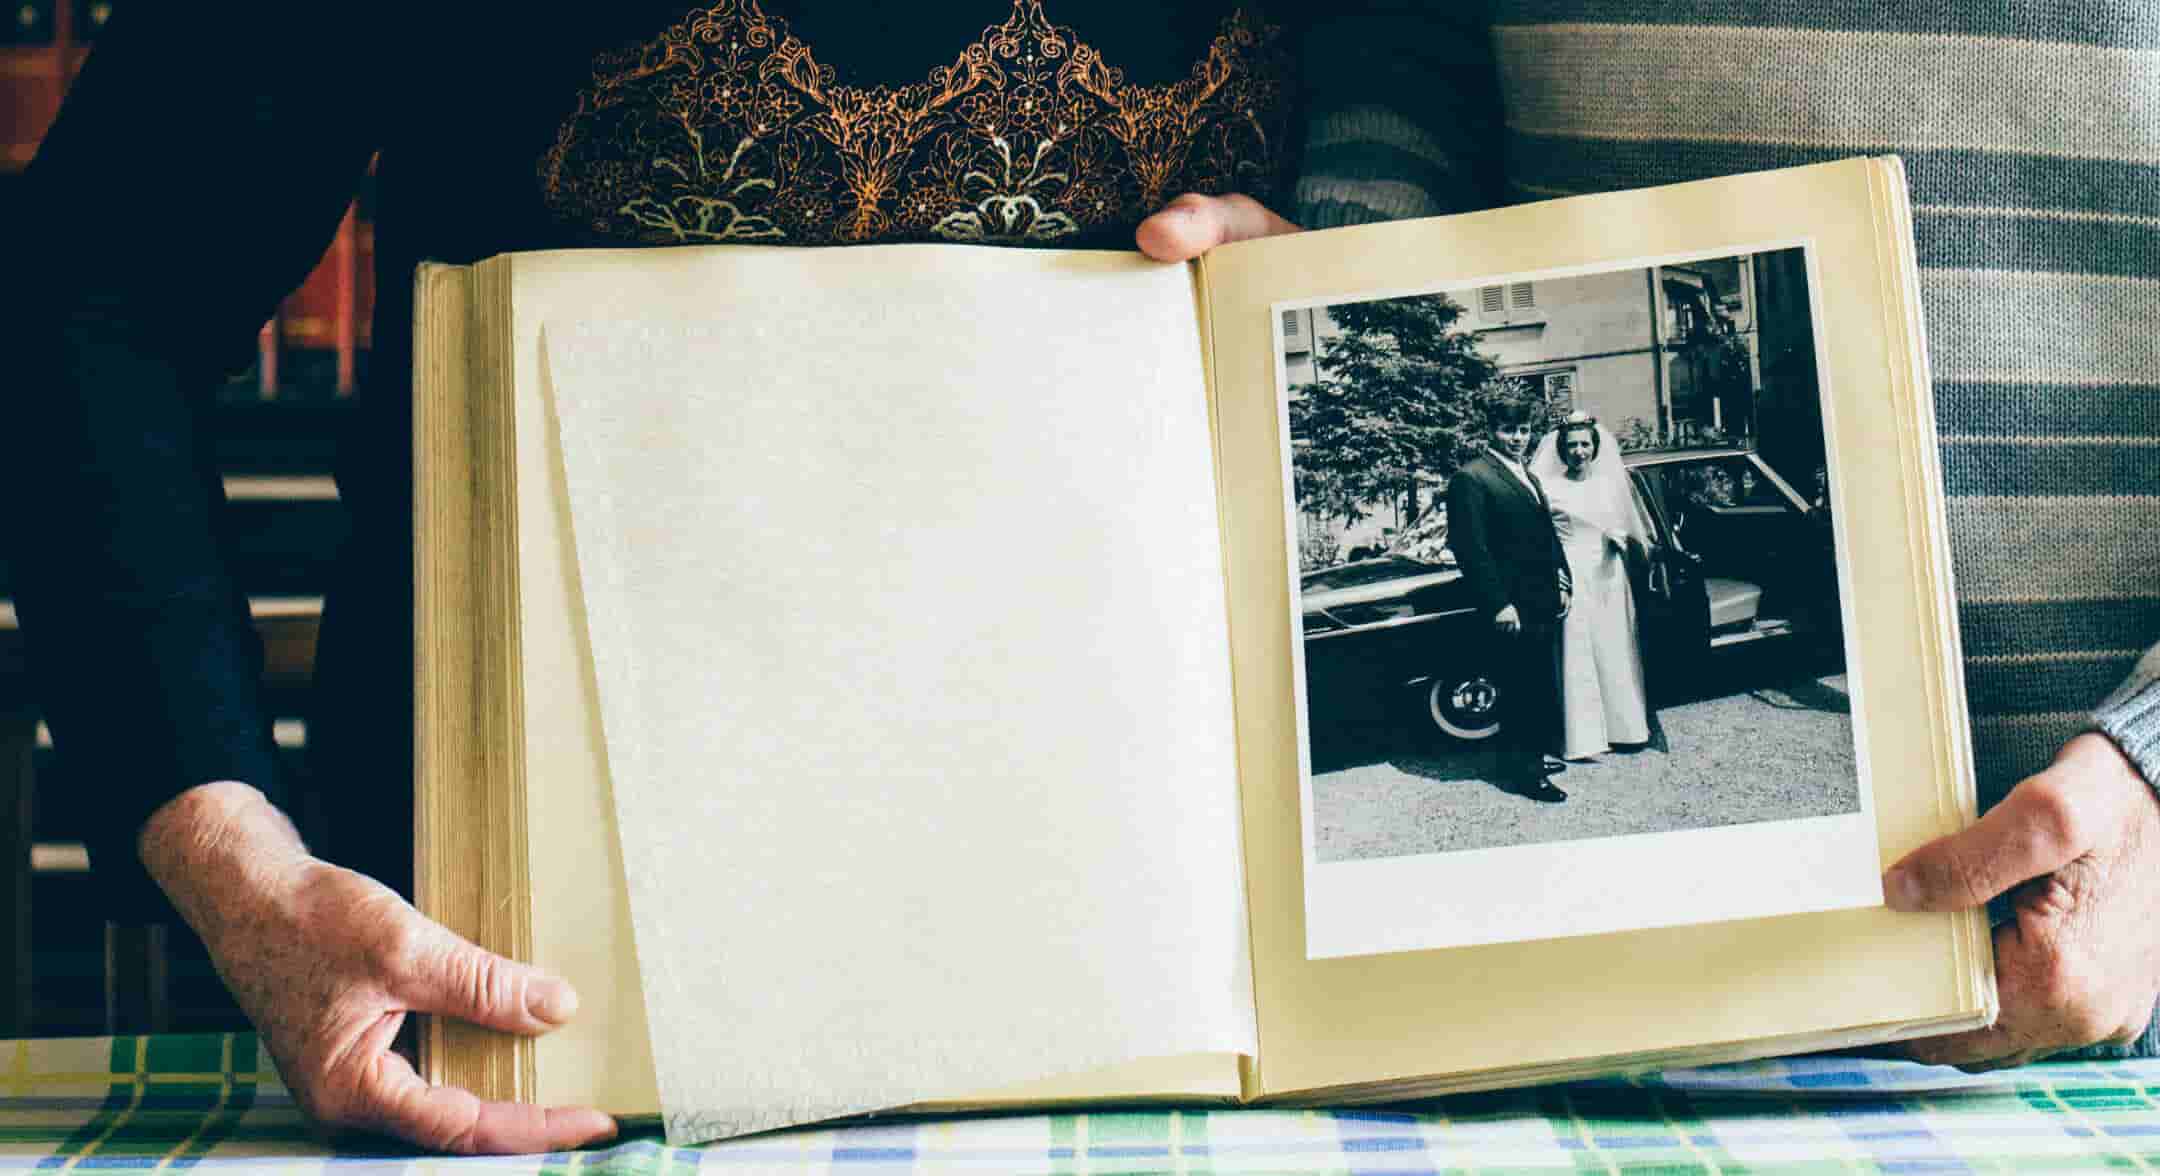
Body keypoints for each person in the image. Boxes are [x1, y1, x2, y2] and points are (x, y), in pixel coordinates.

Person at [1442, 394, 1572, 802]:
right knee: (1521, 689)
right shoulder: (1472, 477)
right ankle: (1525, 773)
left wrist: (1562, 579)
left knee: (1539, 685)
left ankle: (1531, 753)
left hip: (1542, 598)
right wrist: (1498, 602)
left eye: (1523, 430)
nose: (1516, 437)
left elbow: (1544, 534)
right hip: (1512, 604)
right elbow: (1470, 547)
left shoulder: (1526, 473)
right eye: (1508, 430)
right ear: (1491, 432)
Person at [1531, 414, 1650, 760]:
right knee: (1578, 651)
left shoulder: (1610, 484)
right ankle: (1584, 738)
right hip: (1573, 572)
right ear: (1561, 450)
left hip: (1609, 573)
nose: (1579, 451)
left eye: (1585, 444)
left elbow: (1628, 529)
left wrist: (1621, 541)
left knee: (1615, 646)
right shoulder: (1549, 487)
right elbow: (1544, 538)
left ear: (1595, 447)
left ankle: (1625, 728)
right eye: (1571, 445)